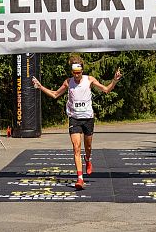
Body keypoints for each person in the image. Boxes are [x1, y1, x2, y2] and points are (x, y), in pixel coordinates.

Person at [32, 55, 122, 190]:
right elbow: (55, 94)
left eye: (78, 73)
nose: (76, 75)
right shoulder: (68, 82)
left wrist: (114, 81)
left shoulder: (89, 80)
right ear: (72, 72)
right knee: (76, 147)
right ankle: (80, 178)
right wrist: (40, 87)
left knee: (88, 147)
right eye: (74, 73)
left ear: (82, 71)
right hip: (74, 118)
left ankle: (88, 159)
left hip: (88, 118)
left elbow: (106, 90)